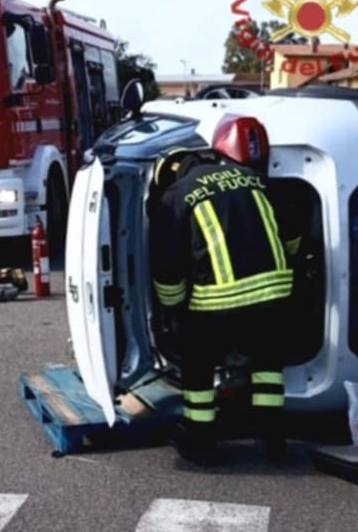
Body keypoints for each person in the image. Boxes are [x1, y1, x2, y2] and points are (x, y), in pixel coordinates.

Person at [148, 114, 302, 466]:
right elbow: (293, 233)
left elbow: (168, 265)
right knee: (267, 367)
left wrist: (173, 311)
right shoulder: (255, 179)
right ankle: (271, 439)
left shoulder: (177, 195)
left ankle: (201, 442)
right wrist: (288, 263)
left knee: (198, 368)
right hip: (273, 296)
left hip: (215, 303)